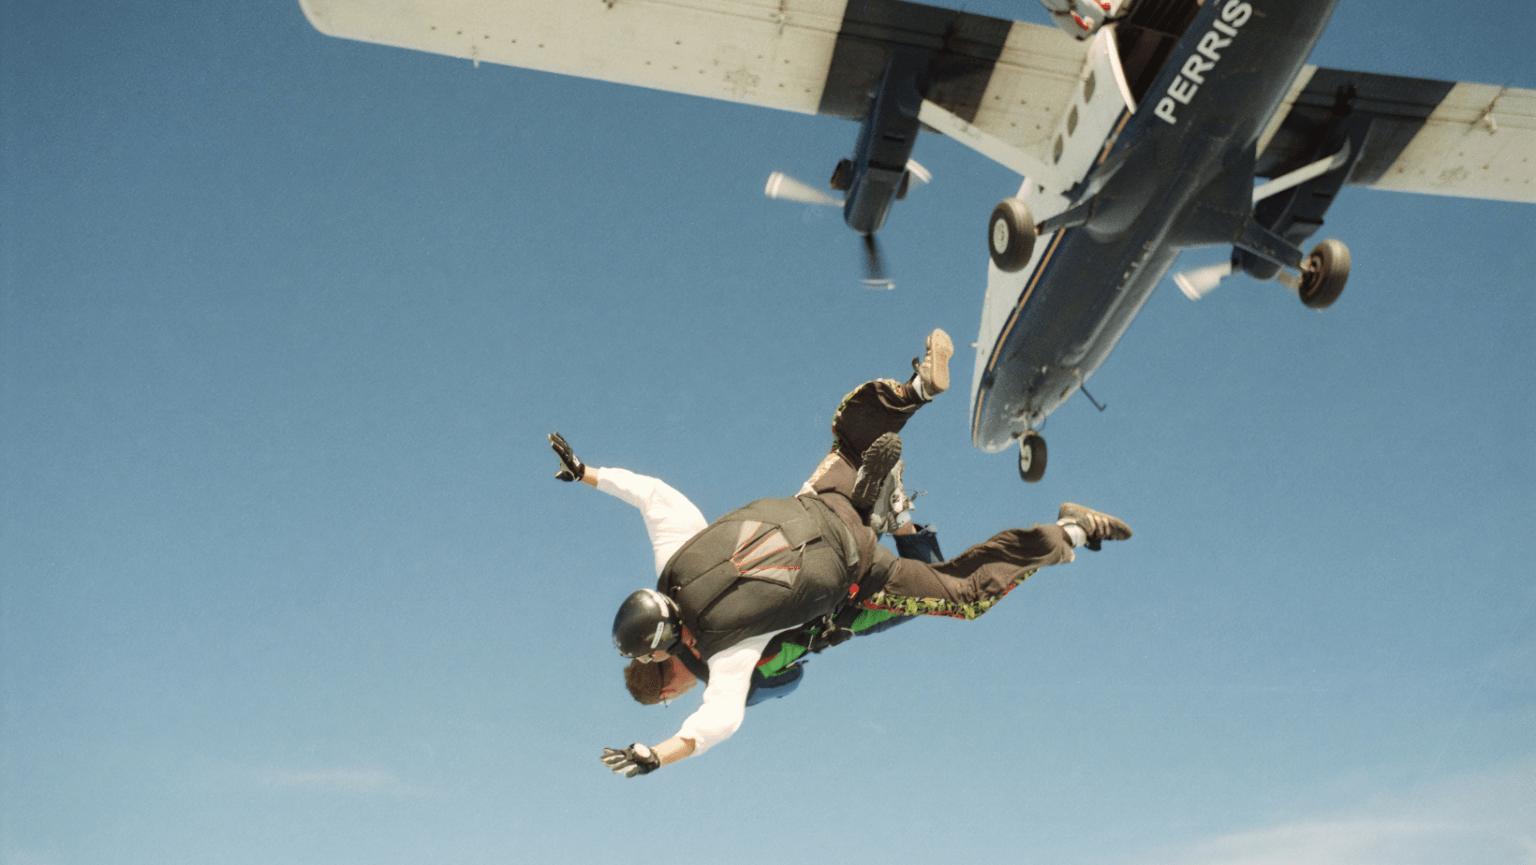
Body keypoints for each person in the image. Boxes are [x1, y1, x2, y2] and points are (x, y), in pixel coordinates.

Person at [550, 329, 1133, 778]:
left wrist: (658, 754)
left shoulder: (727, 658)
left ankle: (1068, 532)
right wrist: (586, 474)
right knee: (848, 438)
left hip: (858, 573)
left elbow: (718, 722)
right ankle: (914, 395)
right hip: (818, 498)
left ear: (667, 674)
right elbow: (656, 497)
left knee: (959, 595)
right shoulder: (674, 561)